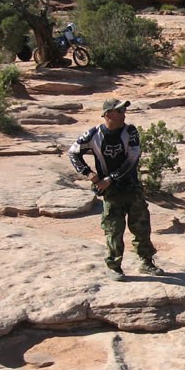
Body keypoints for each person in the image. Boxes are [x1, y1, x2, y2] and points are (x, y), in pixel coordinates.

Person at [68, 98, 164, 281]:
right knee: (114, 229)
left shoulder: (130, 132)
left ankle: (146, 262)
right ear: (108, 114)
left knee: (141, 226)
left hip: (131, 188)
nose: (123, 114)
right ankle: (114, 267)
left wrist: (109, 179)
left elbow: (132, 158)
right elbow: (73, 152)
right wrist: (89, 174)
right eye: (119, 111)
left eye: (123, 110)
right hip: (111, 193)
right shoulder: (93, 134)